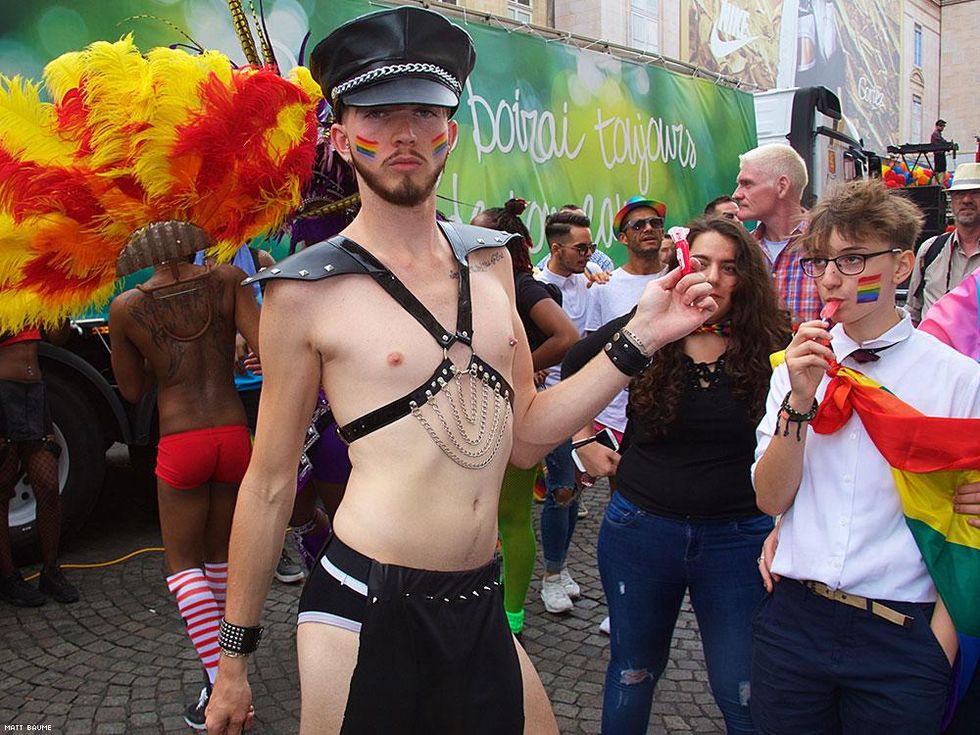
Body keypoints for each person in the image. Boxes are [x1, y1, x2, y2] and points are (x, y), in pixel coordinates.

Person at [205, 7, 718, 733]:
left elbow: (527, 433)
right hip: (363, 602)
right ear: (343, 134)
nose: (404, 132)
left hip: (479, 597)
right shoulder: (304, 290)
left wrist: (643, 334)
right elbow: (267, 483)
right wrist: (233, 663)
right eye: (379, 114)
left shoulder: (489, 261)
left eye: (425, 109)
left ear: (451, 128)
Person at [750, 179, 980, 734]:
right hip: (796, 623)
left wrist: (937, 647)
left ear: (901, 267)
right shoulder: (795, 371)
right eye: (821, 261)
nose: (832, 278)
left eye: (853, 260)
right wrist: (800, 402)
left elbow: (966, 524)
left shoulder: (957, 380)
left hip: (902, 633)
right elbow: (769, 497)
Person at [565, 216, 790, 734]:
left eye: (729, 268)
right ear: (681, 266)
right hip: (641, 532)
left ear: (747, 279)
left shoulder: (776, 340)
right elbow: (574, 362)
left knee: (742, 687)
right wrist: (582, 438)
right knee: (632, 674)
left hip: (739, 540)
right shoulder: (650, 326)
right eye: (702, 262)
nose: (711, 277)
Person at [110, 224, 261, 730]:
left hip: (181, 440)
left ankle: (221, 684)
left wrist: (154, 357)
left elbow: (131, 391)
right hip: (233, 432)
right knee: (219, 558)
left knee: (181, 567)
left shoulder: (128, 307)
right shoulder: (229, 279)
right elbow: (266, 346)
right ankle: (223, 675)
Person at [471, 198, 578, 641]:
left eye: (478, 235)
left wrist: (519, 370)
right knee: (482, 516)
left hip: (514, 417)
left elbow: (567, 336)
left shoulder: (521, 285)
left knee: (511, 517)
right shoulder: (480, 284)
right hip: (478, 415)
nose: (467, 242)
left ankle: (510, 618)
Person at [534, 208, 598, 614]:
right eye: (581, 248)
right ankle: (551, 577)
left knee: (575, 490)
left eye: (591, 247)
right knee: (559, 488)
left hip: (582, 400)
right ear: (556, 248)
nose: (588, 254)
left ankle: (562, 566)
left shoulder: (588, 285)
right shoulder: (536, 287)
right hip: (547, 404)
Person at [0, 326, 79, 607]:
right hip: (3, 393)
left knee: (47, 487)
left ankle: (51, 571)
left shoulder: (32, 284)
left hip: (34, 392)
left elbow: (58, 338)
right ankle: (8, 576)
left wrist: (58, 307)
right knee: (3, 489)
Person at [733, 143, 822, 325]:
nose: (737, 194)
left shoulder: (827, 243)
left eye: (747, 184)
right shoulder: (742, 248)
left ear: (782, 186)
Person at [907, 162, 980, 324]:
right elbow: (913, 312)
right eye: (959, 194)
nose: (966, 200)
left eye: (975, 193)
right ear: (951, 201)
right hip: (932, 347)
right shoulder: (930, 250)